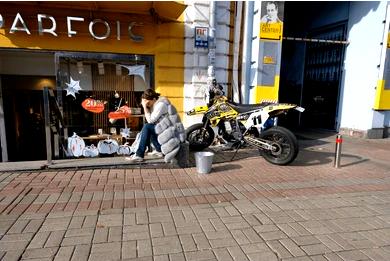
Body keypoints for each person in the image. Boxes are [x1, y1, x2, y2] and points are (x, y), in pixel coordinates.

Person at [127, 88, 186, 162]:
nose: (147, 105)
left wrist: (145, 107)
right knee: (150, 127)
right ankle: (159, 150)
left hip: (171, 134)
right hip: (164, 131)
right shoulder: (155, 104)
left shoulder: (161, 105)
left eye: (148, 103)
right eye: (146, 103)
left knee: (147, 127)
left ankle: (139, 155)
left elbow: (150, 120)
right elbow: (152, 121)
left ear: (154, 99)